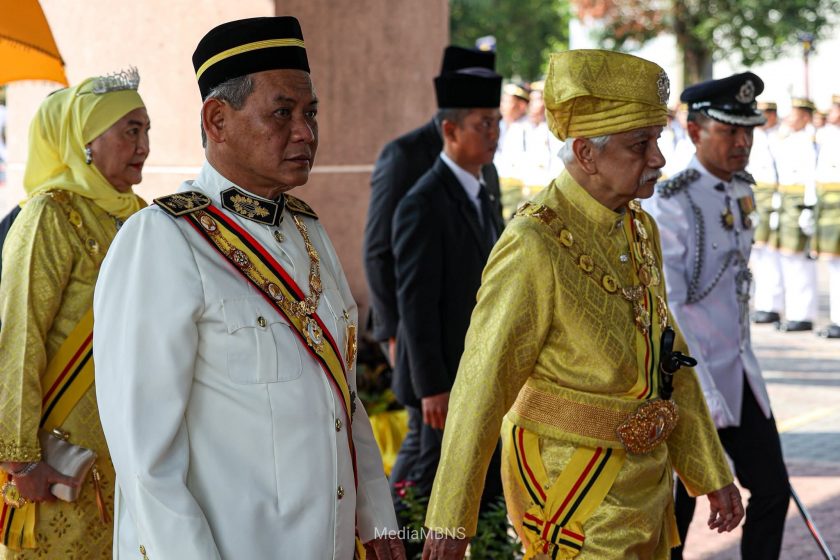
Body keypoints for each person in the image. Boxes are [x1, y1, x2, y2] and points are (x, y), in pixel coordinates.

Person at [92, 17, 403, 560]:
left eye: (310, 113)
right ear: (217, 120)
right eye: (282, 113)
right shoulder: (164, 240)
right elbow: (145, 461)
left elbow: (343, 396)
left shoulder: (308, 232)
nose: (306, 132)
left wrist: (377, 520)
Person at [421, 50, 743, 560]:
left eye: (657, 140)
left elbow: (668, 353)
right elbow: (482, 382)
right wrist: (450, 520)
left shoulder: (639, 227)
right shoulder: (533, 242)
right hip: (572, 491)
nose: (658, 159)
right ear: (586, 153)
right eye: (640, 144)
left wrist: (709, 470)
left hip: (647, 490)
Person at [0, 69, 150, 558]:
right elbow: (20, 338)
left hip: (136, 445)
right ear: (87, 140)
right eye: (131, 130)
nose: (144, 145)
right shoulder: (50, 214)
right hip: (63, 452)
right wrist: (21, 461)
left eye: (147, 130)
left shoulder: (142, 215)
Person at [644, 73, 791, 560]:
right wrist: (699, 386)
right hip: (692, 374)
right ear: (694, 132)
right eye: (729, 131)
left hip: (739, 370)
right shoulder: (673, 201)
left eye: (747, 131)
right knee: (680, 508)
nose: (742, 142)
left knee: (772, 489)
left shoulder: (741, 188)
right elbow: (671, 304)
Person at [390, 60, 506, 553]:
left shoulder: (484, 186)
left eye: (497, 122)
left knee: (477, 486)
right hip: (441, 381)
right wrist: (432, 387)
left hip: (475, 371)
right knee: (426, 486)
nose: (494, 134)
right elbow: (415, 304)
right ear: (451, 130)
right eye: (483, 124)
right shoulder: (424, 202)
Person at [363, 45, 501, 370]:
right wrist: (393, 333)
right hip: (415, 330)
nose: (492, 132)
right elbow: (378, 250)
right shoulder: (404, 155)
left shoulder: (485, 164)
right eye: (483, 121)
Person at [774, 97, 819, 332]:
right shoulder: (788, 139)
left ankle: (803, 314)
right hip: (786, 201)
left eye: (794, 114)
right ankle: (793, 312)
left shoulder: (811, 141)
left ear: (805, 117)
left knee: (800, 261)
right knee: (787, 258)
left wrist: (809, 207)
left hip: (801, 202)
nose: (789, 119)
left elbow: (812, 176)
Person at [749, 100, 784, 324]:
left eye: (763, 114)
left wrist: (778, 202)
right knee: (757, 253)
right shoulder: (753, 135)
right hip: (755, 198)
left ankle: (772, 305)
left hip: (774, 199)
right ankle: (762, 303)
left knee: (772, 254)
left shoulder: (781, 138)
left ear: (772, 115)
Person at [815, 94, 840, 338]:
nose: (830, 113)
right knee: (834, 263)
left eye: (834, 109)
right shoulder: (828, 136)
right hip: (829, 205)